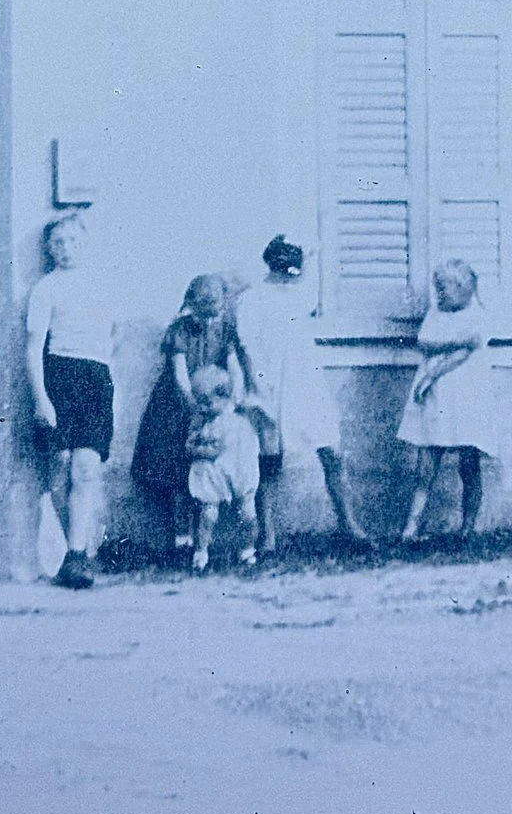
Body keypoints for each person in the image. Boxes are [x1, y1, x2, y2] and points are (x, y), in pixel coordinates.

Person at [230, 235, 373, 557]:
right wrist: (256, 387)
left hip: (305, 382)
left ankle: (349, 527)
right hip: (269, 383)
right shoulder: (252, 300)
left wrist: (311, 252)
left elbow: (309, 285)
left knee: (332, 452)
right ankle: (266, 535)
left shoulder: (298, 295)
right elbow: (246, 346)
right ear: (277, 266)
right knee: (267, 461)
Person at [25, 212, 117, 588]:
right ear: (49, 248)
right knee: (61, 467)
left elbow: (114, 342)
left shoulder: (101, 285)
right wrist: (41, 400)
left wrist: (115, 389)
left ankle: (78, 556)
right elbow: (32, 349)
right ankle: (62, 552)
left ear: (85, 242)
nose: (66, 249)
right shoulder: (45, 288)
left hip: (96, 379)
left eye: (73, 241)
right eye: (59, 242)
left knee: (86, 469)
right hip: (60, 376)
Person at [132, 273, 249, 560]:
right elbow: (180, 375)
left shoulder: (226, 331)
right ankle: (181, 536)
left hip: (214, 402)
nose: (208, 321)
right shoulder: (180, 330)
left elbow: (234, 368)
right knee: (178, 471)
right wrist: (195, 406)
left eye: (214, 313)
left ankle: (209, 537)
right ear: (192, 306)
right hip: (178, 405)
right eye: (202, 313)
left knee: (214, 467)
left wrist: (232, 400)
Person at [396, 259, 499, 545]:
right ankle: (411, 527)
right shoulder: (436, 313)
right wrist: (455, 342)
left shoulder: (478, 315)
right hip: (439, 396)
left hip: (467, 391)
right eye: (437, 289)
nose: (439, 294)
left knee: (469, 460)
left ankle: (467, 527)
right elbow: (425, 342)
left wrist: (431, 374)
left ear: (462, 287)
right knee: (427, 460)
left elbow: (465, 353)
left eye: (444, 288)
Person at [184, 366, 263, 573]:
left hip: (239, 472)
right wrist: (203, 450)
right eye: (199, 402)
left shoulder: (240, 422)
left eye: (206, 402)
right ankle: (201, 553)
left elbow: (250, 447)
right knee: (208, 513)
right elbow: (189, 446)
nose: (202, 408)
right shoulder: (200, 422)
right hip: (211, 474)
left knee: (248, 513)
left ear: (224, 396)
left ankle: (248, 550)